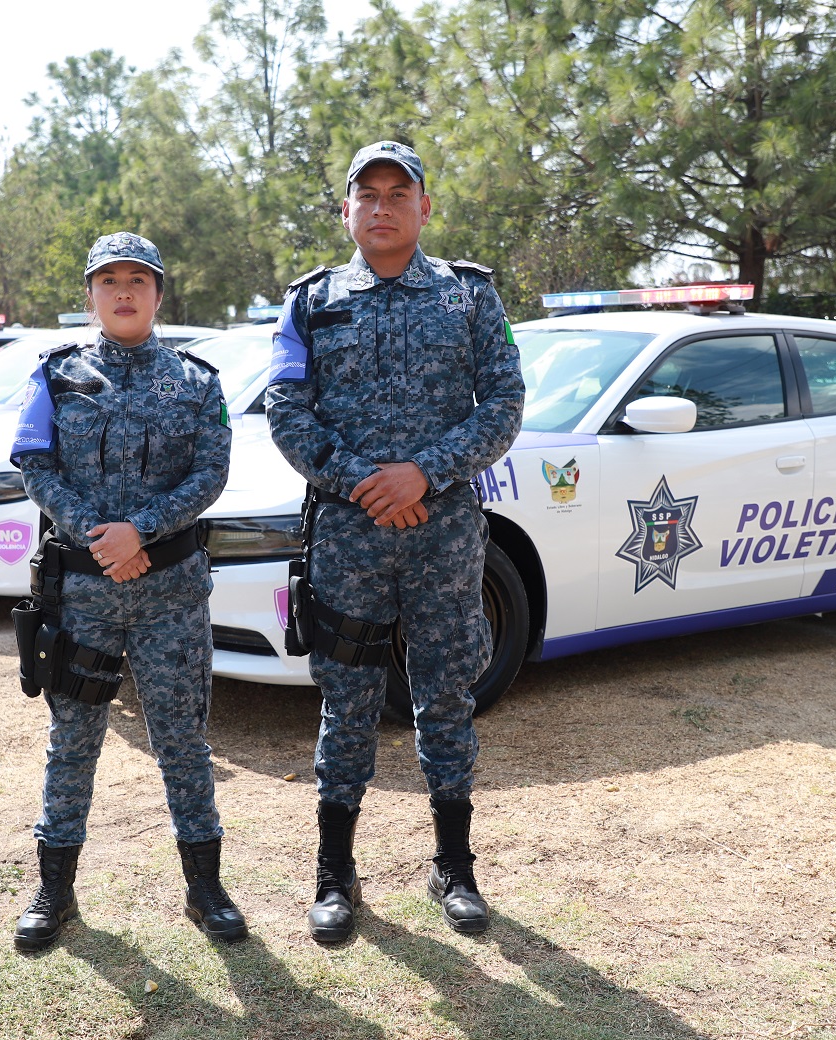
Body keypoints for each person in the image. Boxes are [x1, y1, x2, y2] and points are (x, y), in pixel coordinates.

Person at [265, 141, 525, 941]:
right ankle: (335, 875)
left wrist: (425, 473)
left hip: (443, 529)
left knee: (445, 694)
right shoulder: (310, 301)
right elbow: (284, 407)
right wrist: (364, 483)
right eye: (365, 194)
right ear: (346, 210)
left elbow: (505, 400)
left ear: (423, 207)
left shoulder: (469, 296)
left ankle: (455, 867)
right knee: (346, 702)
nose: (381, 206)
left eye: (397, 192)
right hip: (348, 533)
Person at [8, 232, 244, 951]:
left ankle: (205, 888)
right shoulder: (53, 375)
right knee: (73, 739)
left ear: (158, 294)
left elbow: (211, 474)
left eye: (137, 279)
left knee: (183, 739)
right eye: (107, 279)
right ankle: (55, 890)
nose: (122, 291)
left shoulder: (199, 381)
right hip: (82, 592)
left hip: (170, 589)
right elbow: (33, 464)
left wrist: (138, 531)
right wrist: (95, 534)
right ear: (89, 296)